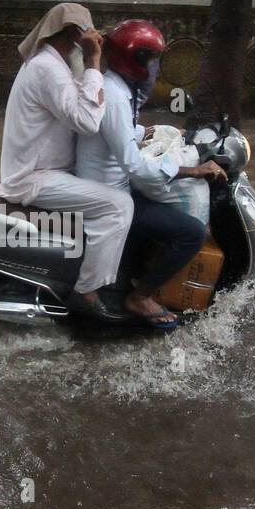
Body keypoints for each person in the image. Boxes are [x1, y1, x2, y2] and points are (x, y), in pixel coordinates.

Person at [0, 2, 134, 322]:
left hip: (42, 169)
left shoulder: (52, 64)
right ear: (73, 34)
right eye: (87, 33)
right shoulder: (47, 69)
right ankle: (87, 291)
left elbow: (79, 101)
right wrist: (93, 60)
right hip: (36, 176)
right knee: (118, 205)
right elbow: (87, 121)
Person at [73, 19, 226, 329]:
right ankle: (140, 296)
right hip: (111, 193)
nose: (156, 68)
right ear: (137, 60)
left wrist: (150, 131)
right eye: (152, 59)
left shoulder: (119, 87)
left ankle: (129, 274)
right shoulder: (114, 94)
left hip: (115, 186)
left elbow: (118, 135)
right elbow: (134, 165)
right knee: (190, 233)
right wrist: (193, 170)